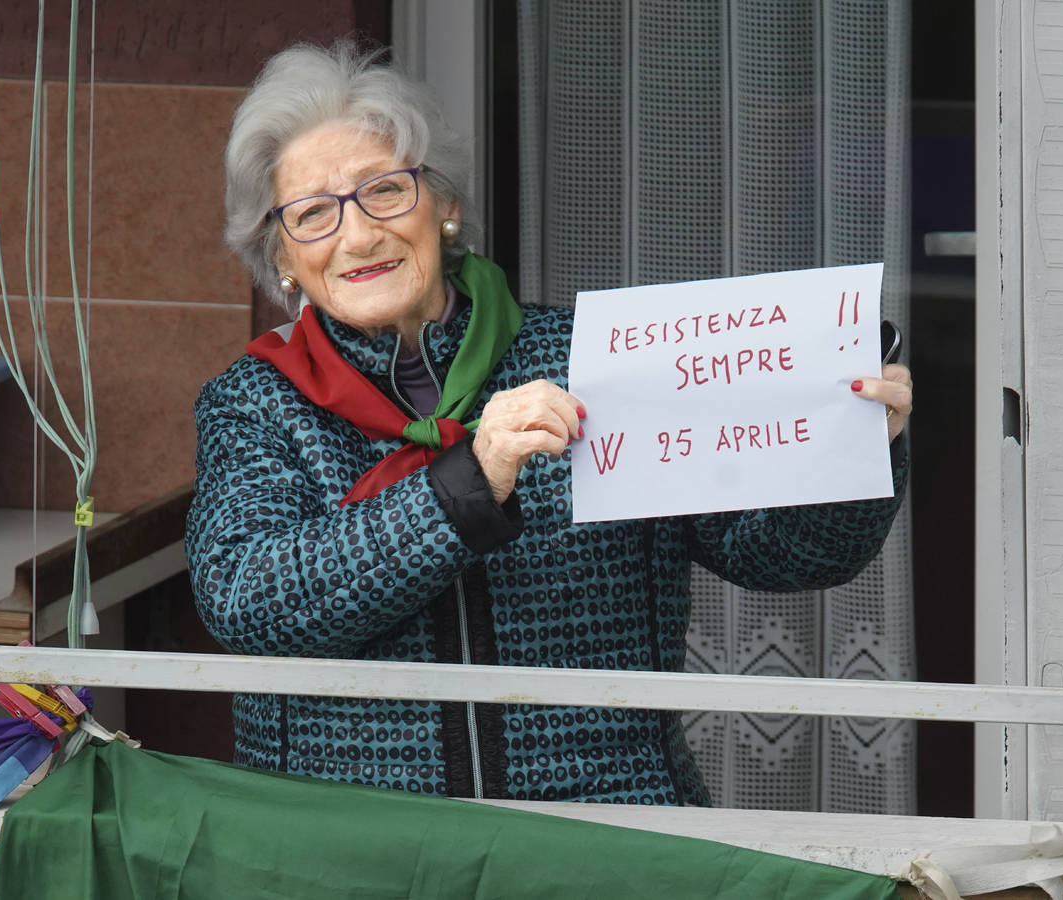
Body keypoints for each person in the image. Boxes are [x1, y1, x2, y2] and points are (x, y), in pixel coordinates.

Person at [186, 40, 914, 805]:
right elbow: (248, 602)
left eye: (385, 192)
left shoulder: (593, 360)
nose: (359, 235)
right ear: (284, 259)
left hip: (603, 831)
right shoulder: (254, 403)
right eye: (313, 214)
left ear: (445, 207)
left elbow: (779, 555)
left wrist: (853, 445)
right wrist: (468, 484)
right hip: (358, 845)